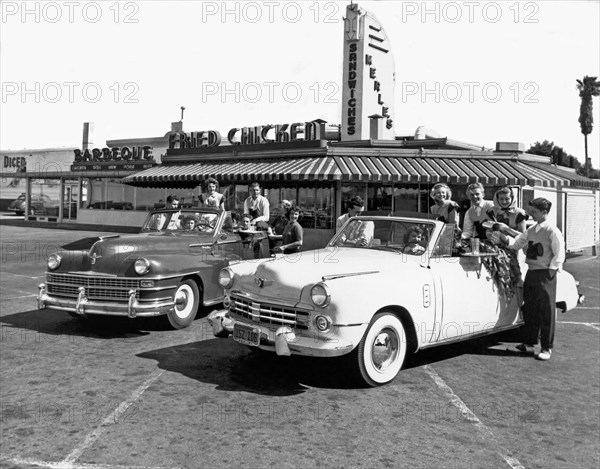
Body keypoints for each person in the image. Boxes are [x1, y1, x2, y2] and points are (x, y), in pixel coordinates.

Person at [491, 198, 565, 361]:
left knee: (546, 310)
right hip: (532, 272)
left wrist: (550, 271)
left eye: (534, 212)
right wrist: (502, 238)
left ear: (544, 212)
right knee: (529, 308)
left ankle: (546, 347)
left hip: (545, 273)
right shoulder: (532, 229)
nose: (531, 214)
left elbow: (559, 254)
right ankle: (529, 342)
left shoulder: (552, 230)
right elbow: (517, 244)